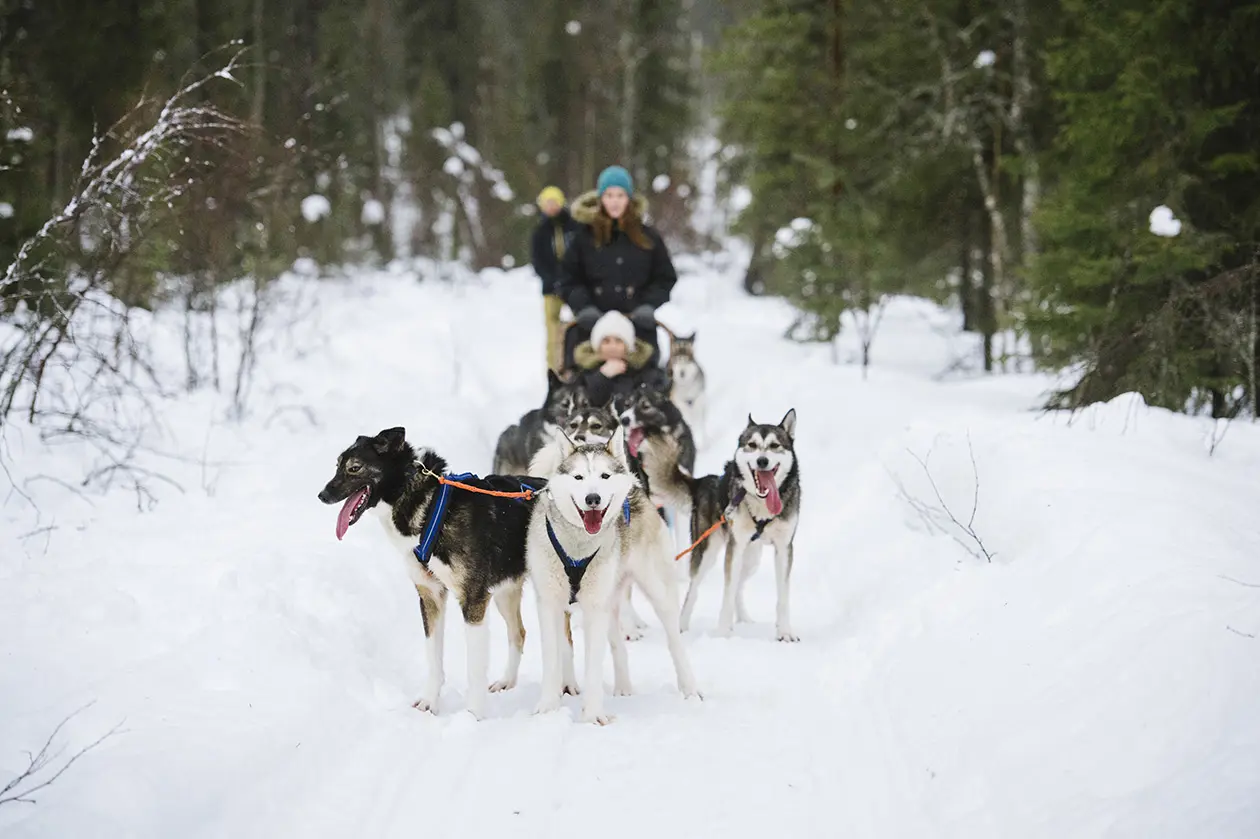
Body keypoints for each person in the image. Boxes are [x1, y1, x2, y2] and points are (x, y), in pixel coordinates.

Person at [558, 165, 678, 355]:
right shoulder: (583, 238)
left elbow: (665, 277)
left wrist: (648, 305)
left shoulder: (648, 237)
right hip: (591, 329)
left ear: (629, 199)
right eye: (609, 195)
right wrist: (583, 307)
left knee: (648, 380)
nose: (615, 202)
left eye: (620, 195)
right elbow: (567, 279)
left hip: (638, 328)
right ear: (601, 199)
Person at [530, 185, 580, 374]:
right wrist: (552, 280)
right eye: (547, 203)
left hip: (574, 286)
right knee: (553, 330)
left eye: (554, 202)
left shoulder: (573, 227)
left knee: (579, 325)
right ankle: (554, 370)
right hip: (551, 288)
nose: (551, 207)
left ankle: (577, 365)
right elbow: (538, 261)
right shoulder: (540, 232)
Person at [573, 310, 665, 405]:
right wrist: (602, 376)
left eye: (618, 341)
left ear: (627, 346)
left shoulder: (644, 371)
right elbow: (585, 403)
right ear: (597, 346)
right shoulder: (584, 372)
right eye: (606, 341)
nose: (612, 347)